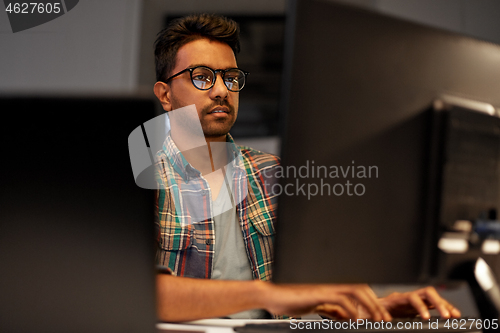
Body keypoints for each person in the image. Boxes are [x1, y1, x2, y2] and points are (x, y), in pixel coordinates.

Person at [152, 13, 461, 322]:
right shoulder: (138, 180)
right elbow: (138, 292)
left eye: (230, 77)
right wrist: (266, 293)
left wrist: (374, 306)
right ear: (165, 95)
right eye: (202, 77)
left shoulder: (276, 175)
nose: (221, 90)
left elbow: (319, 289)